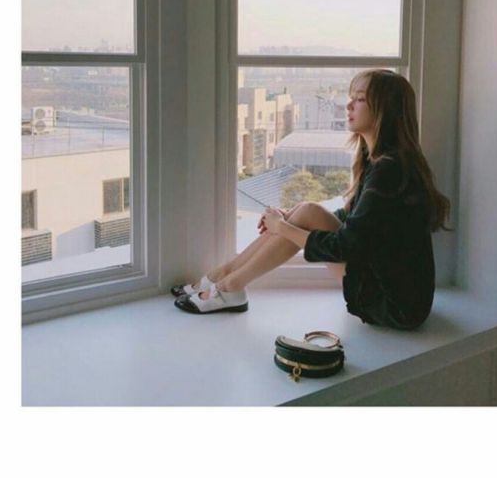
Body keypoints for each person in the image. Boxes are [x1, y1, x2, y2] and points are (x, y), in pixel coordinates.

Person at [173, 69, 450, 330]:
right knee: (304, 212)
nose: (349, 105)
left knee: (305, 213)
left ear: (384, 111)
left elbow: (344, 246)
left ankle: (229, 286)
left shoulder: (389, 169)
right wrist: (291, 217)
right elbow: (356, 222)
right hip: (394, 295)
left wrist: (283, 227)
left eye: (360, 99)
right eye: (351, 97)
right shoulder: (378, 161)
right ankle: (224, 277)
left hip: (395, 306)